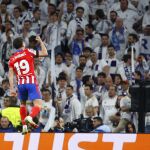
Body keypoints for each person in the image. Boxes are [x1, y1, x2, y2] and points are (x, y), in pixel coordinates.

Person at [8, 36, 48, 134]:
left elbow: (10, 75)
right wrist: (41, 42)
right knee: (39, 104)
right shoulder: (28, 51)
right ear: (23, 44)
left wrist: (12, 89)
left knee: (22, 104)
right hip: (30, 82)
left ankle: (24, 127)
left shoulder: (12, 58)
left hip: (20, 84)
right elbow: (45, 53)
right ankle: (29, 117)